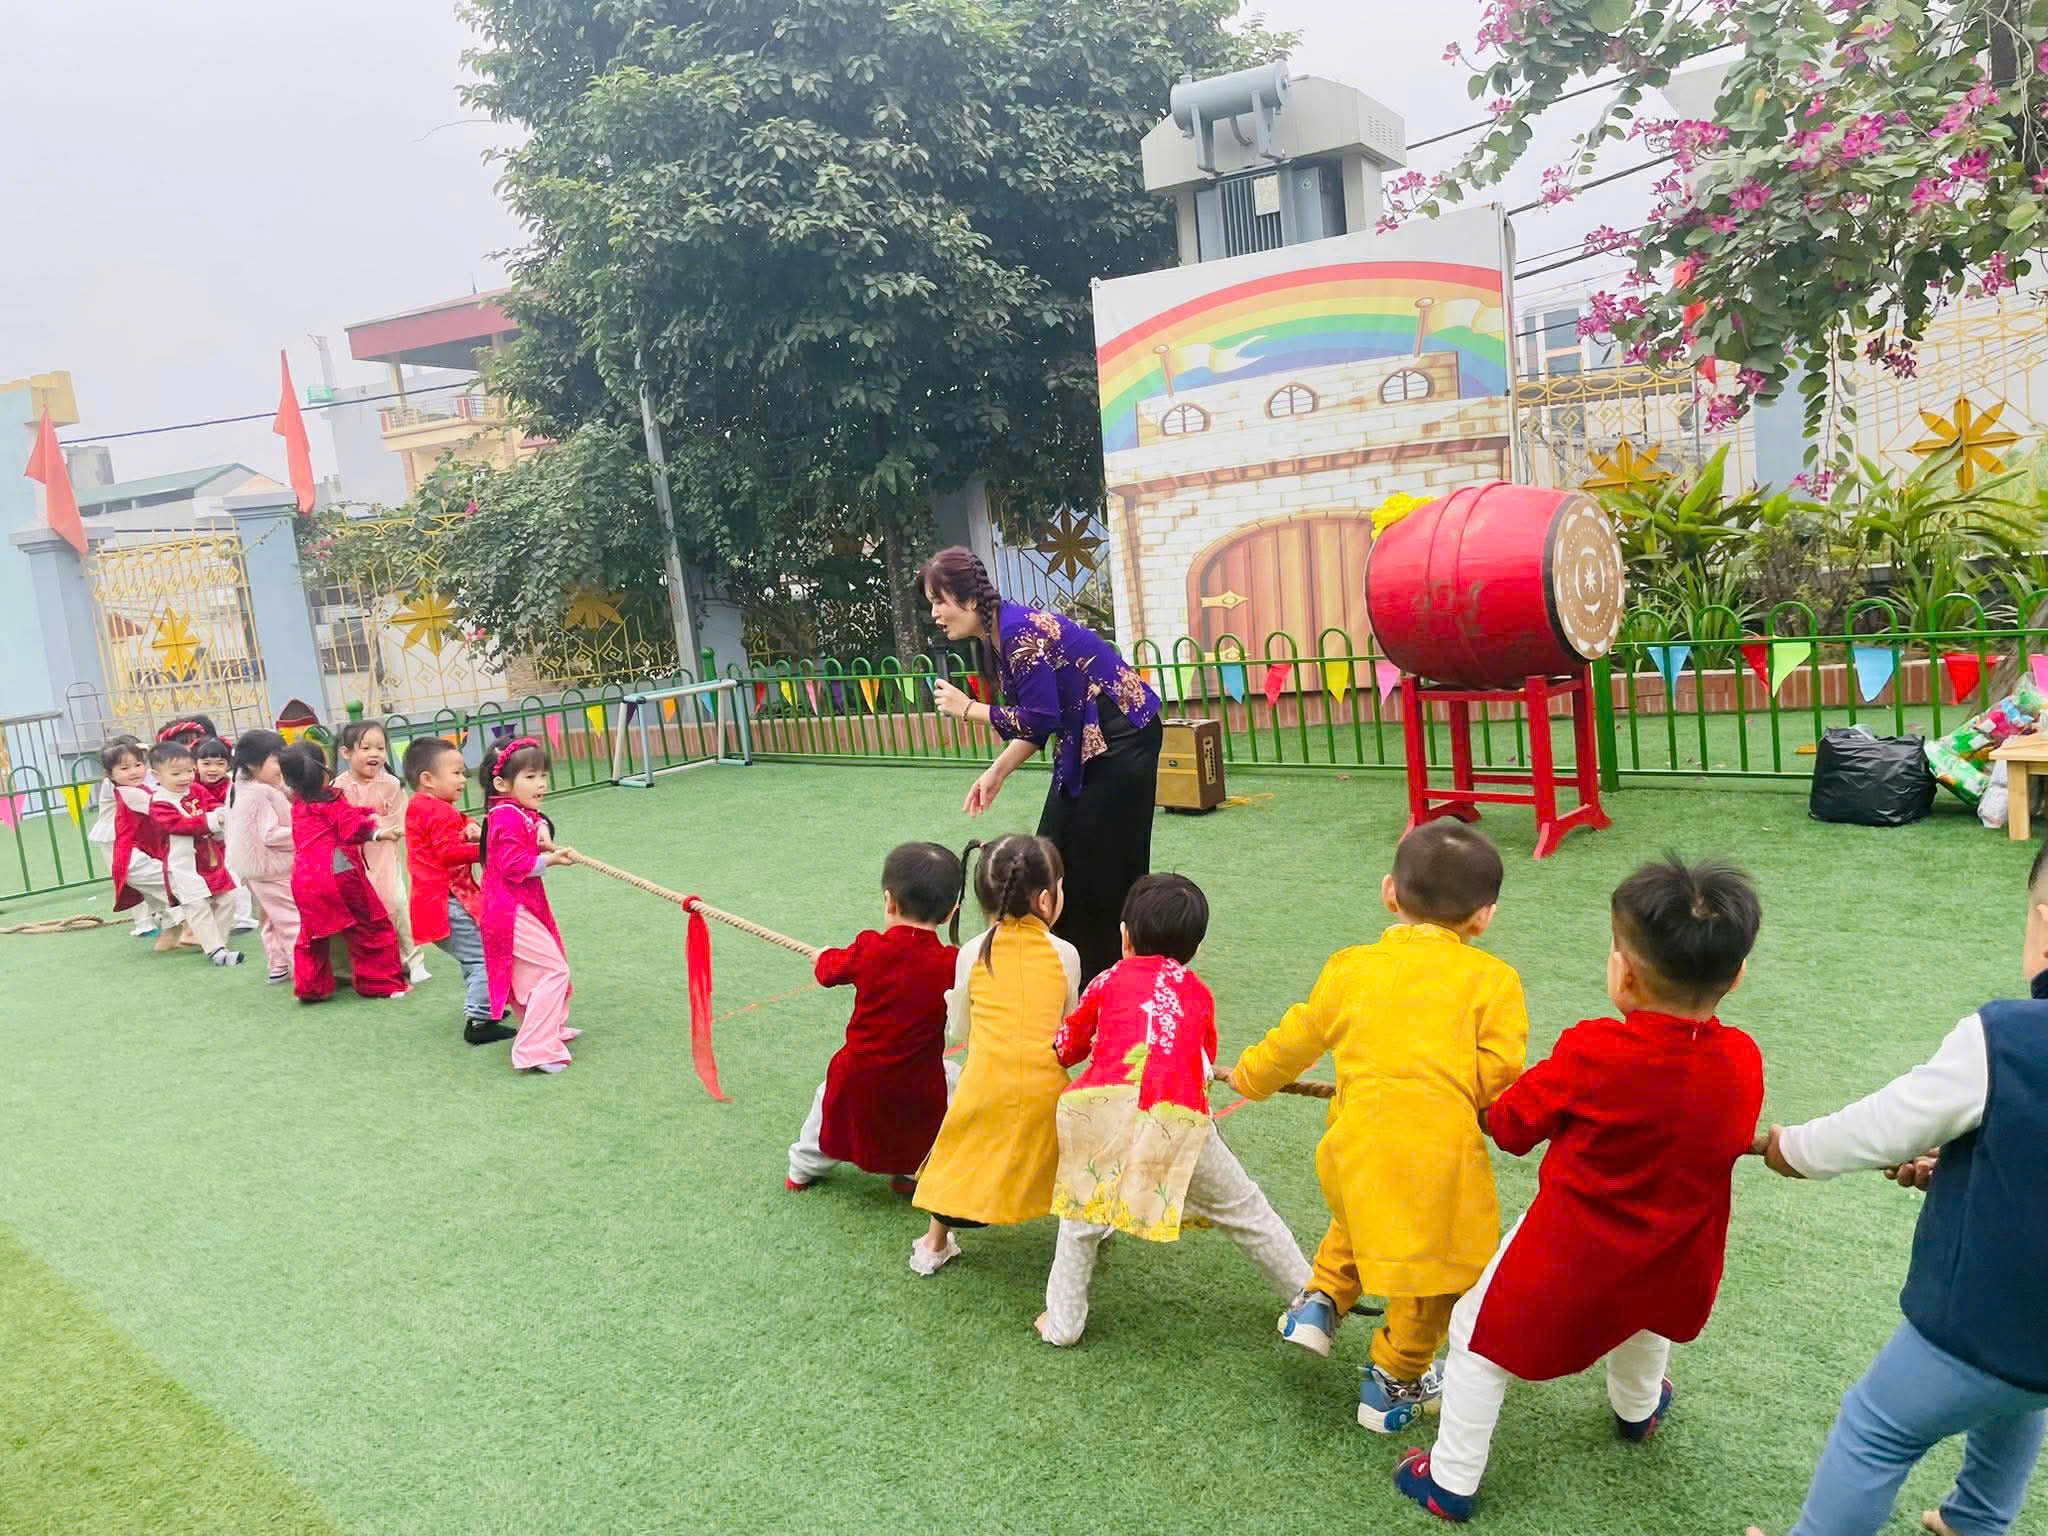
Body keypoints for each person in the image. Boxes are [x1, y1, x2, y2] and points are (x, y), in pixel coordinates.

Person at [1395, 856, 1766, 1524]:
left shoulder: (1594, 1050)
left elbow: (1510, 1128)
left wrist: (1480, 1097)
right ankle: (1637, 1411)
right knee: (1646, 1317)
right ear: (1737, 974)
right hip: (1679, 1254)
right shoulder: (1742, 1058)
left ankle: (1449, 1481)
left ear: (1625, 974)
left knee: (1475, 1336)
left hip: (1574, 1254)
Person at [1742, 844, 2048, 1536]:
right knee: (2020, 1395)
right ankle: (1976, 1521)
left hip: (1978, 1320)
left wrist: (1795, 1149)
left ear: (2043, 926)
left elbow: (1886, 1126)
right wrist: (1970, 1163)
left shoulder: (2005, 1037)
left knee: (1875, 1428)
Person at [1230, 822, 1527, 1431]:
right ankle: (1395, 1379)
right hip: (1437, 1160)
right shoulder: (1494, 980)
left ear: (1390, 891)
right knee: (1436, 1269)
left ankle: (1320, 1301)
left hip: (1353, 1148)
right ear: (1484, 917)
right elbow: (1499, 1074)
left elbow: (1296, 1037)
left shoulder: (1350, 968)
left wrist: (1249, 1078)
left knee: (1365, 1213)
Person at [1037, 873, 1310, 1347]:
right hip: (1178, 1117)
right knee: (1246, 1210)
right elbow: (1202, 1062)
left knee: (1078, 1221)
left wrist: (1061, 1046)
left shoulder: (1107, 979)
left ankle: (1062, 1324)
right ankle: (1310, 1301)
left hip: (1100, 1110)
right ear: (1194, 949)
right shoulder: (1198, 993)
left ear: (1124, 936)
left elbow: (1068, 1046)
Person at [920, 546, 1161, 985]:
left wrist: (969, 708)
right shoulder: (998, 635)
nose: (935, 613)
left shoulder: (1016, 633)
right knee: (1054, 848)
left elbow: (1039, 719)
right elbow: (1040, 720)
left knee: (1107, 860)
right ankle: (1065, 959)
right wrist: (996, 772)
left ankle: (1111, 971)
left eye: (939, 601)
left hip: (1123, 737)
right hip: (1085, 739)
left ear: (969, 599)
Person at [909, 834, 1080, 1276]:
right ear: (1046, 899)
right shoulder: (1066, 954)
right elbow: (1069, 1028)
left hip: (984, 1086)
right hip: (1047, 1092)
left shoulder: (971, 952)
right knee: (1076, 1149)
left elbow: (959, 1030)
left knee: (957, 1150)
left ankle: (933, 1244)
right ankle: (1088, 1225)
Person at [786, 842, 964, 1194]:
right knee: (937, 1102)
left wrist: (824, 956)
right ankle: (910, 1172)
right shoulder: (952, 962)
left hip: (857, 1072)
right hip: (919, 1078)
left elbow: (827, 972)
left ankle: (801, 1170)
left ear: (889, 901)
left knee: (829, 1104)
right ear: (949, 914)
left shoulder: (870, 948)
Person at [402, 738, 513, 1046]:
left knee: (475, 955)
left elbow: (457, 823)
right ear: (428, 779)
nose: (463, 779)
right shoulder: (438, 811)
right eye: (456, 773)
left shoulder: (422, 805)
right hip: (447, 902)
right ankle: (479, 1021)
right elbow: (449, 853)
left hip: (437, 901)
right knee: (484, 958)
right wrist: (488, 847)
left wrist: (472, 826)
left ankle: (486, 1006)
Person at [479, 738, 578, 1074]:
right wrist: (550, 859)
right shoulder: (506, 816)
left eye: (543, 776)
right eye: (531, 777)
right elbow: (512, 864)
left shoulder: (513, 811)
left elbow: (534, 820)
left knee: (533, 973)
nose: (541, 784)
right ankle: (534, 1049)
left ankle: (547, 1031)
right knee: (553, 970)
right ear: (502, 784)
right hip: (509, 910)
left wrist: (542, 832)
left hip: (517, 905)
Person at [280, 742, 408, 1003]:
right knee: (370, 927)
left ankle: (311, 987)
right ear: (324, 768)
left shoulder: (297, 805)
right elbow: (352, 827)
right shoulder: (331, 799)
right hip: (339, 875)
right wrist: (379, 833)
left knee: (312, 935)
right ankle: (381, 983)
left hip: (304, 879)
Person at [335, 721, 427, 984]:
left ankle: (413, 960)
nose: (374, 754)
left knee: (396, 903)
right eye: (365, 748)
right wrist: (367, 829)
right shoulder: (338, 787)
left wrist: (379, 827)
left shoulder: (391, 784)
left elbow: (401, 819)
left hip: (385, 855)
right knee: (360, 912)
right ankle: (366, 965)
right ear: (346, 753)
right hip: (352, 859)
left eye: (380, 747)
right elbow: (340, 824)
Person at [225, 731, 299, 984]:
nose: (282, 767)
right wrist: (302, 832)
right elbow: (270, 834)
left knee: (273, 918)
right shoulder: (260, 793)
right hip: (272, 867)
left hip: (258, 869)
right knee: (292, 921)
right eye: (277, 760)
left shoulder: (242, 788)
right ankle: (306, 971)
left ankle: (278, 964)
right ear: (253, 764)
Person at [88, 734, 157, 938]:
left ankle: (161, 914)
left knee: (147, 872)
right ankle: (144, 923)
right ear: (111, 771)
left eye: (137, 764)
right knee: (128, 877)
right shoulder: (115, 784)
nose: (133, 771)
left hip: (131, 832)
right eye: (125, 767)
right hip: (112, 835)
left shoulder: (141, 776)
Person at [192, 736, 258, 936]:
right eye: (206, 764)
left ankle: (242, 918)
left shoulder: (232, 786)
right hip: (201, 843)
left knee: (234, 875)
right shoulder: (189, 786)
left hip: (230, 839)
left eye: (219, 764)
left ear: (228, 765)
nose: (213, 769)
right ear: (195, 764)